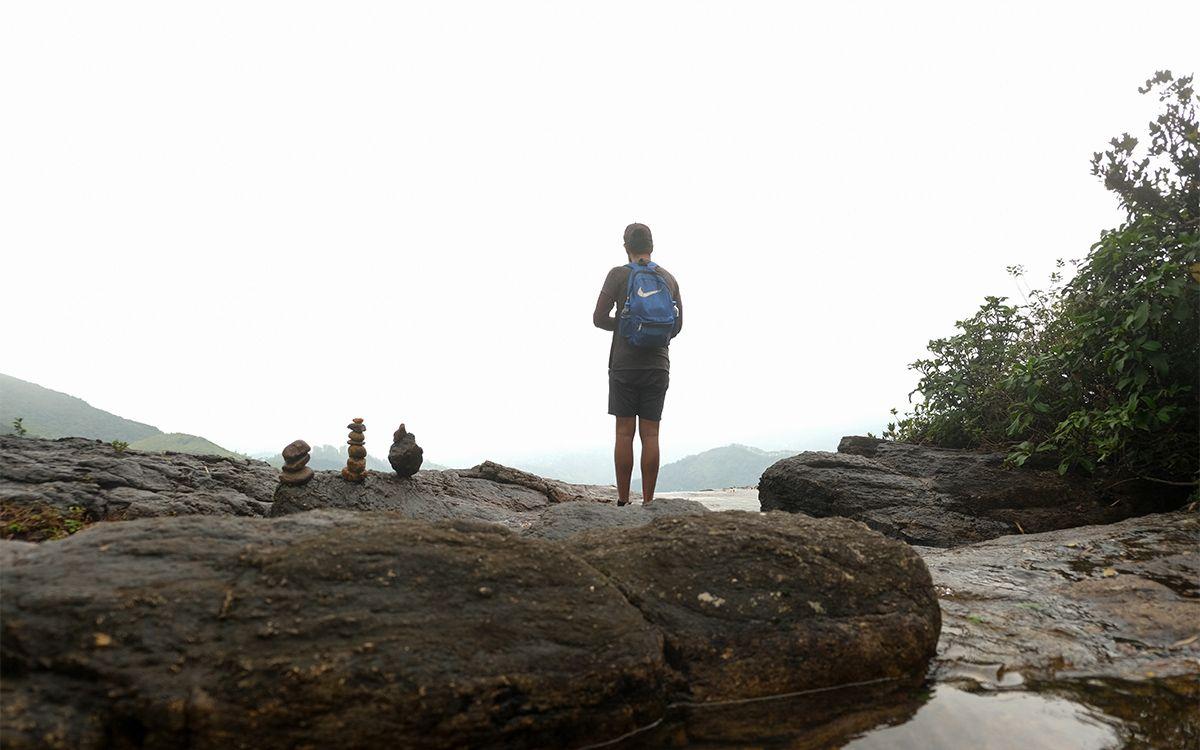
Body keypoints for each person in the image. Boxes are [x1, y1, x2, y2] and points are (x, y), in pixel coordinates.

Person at [592, 222, 683, 506]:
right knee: (651, 433)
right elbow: (677, 325)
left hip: (624, 364)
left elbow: (598, 317)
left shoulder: (618, 275)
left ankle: (622, 501)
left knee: (623, 432)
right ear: (651, 247)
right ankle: (648, 501)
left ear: (626, 247)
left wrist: (626, 327)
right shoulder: (668, 278)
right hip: (657, 365)